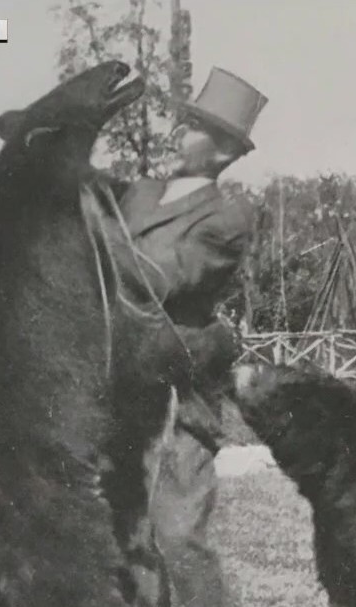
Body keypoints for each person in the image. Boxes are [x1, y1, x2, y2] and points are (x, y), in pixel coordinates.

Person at [95, 67, 268, 607]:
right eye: (180, 120)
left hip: (179, 393)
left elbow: (160, 277)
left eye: (193, 126)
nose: (176, 131)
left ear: (223, 151)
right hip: (119, 385)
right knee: (124, 533)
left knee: (175, 535)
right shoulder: (138, 193)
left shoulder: (227, 218)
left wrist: (94, 253)